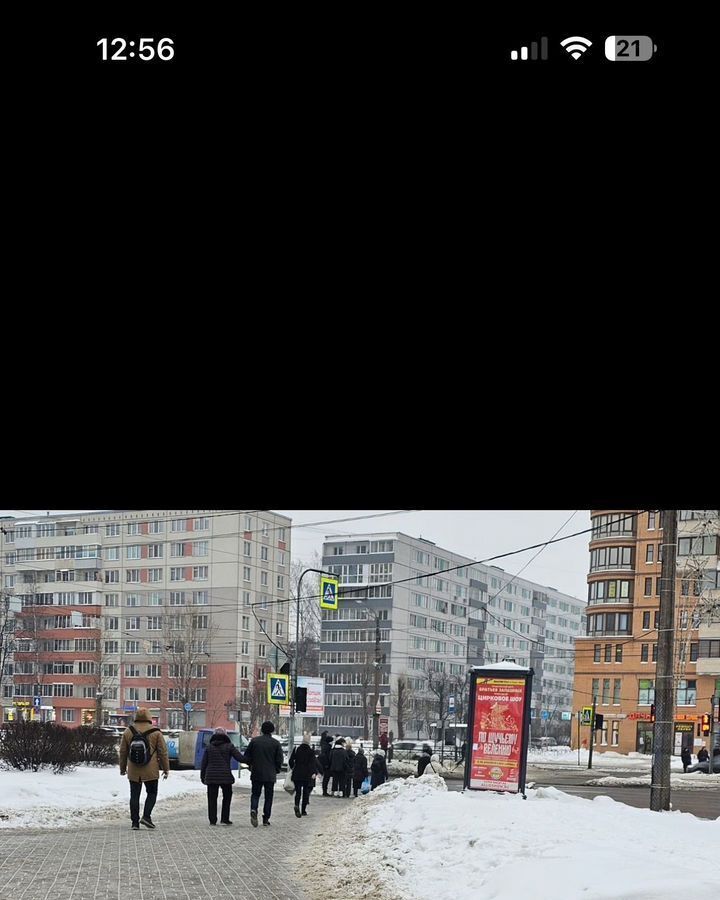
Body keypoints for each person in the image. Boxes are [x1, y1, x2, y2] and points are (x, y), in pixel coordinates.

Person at [119, 707, 169, 830]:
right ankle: (146, 816)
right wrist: (166, 769)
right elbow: (163, 752)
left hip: (133, 769)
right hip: (150, 769)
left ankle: (134, 822)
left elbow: (123, 751)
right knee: (152, 793)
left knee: (134, 795)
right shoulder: (156, 732)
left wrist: (122, 768)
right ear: (149, 717)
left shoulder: (128, 731)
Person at [200, 727, 245, 825]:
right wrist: (251, 758)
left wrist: (202, 777)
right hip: (225, 776)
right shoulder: (229, 746)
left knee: (212, 799)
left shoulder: (209, 747)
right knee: (227, 797)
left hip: (211, 776)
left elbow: (204, 763)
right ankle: (225, 818)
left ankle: (212, 820)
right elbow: (240, 758)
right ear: (225, 735)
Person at [243, 721, 283, 826]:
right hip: (270, 774)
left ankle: (253, 809)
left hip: (256, 772)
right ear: (272, 730)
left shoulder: (254, 742)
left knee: (255, 794)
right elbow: (279, 760)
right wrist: (276, 770)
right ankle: (266, 818)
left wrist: (251, 766)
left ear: (262, 730)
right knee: (268, 797)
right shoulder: (275, 743)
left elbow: (247, 757)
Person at [288, 733, 320, 817]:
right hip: (307, 774)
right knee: (305, 792)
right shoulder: (311, 751)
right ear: (309, 741)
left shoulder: (297, 749)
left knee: (298, 792)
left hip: (297, 773)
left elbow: (291, 761)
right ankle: (303, 810)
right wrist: (314, 772)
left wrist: (293, 768)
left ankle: (296, 805)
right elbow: (313, 763)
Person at [319, 730, 333, 796]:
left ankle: (325, 791)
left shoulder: (325, 746)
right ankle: (324, 791)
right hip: (326, 765)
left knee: (326, 778)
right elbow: (326, 756)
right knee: (326, 778)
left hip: (325, 765)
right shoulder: (327, 747)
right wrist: (327, 764)